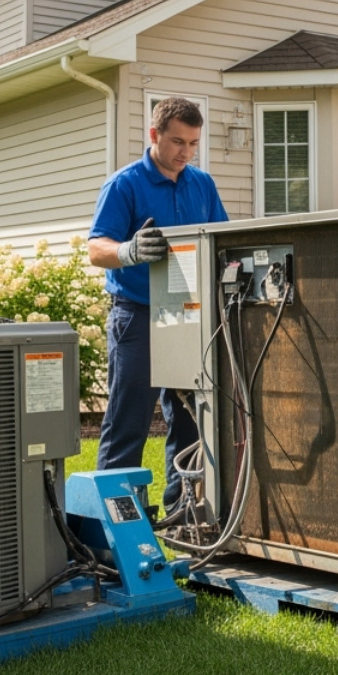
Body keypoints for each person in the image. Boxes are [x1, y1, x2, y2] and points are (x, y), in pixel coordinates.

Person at [87, 96, 228, 516]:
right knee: (127, 423)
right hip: (138, 314)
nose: (185, 152)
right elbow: (97, 249)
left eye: (193, 144)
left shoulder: (201, 183)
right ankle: (108, 532)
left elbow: (221, 238)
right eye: (177, 142)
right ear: (154, 135)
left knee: (187, 422)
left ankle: (183, 518)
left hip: (185, 313)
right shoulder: (125, 184)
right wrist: (129, 250)